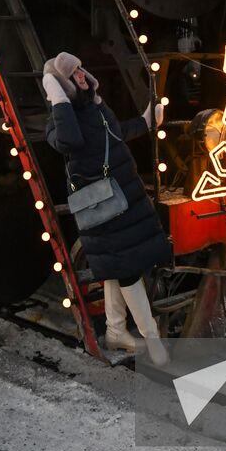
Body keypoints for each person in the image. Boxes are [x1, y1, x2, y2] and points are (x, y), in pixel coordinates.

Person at [42, 51, 172, 364]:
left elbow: (118, 133)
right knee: (127, 272)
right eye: (73, 75)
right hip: (104, 204)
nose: (81, 76)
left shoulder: (96, 108)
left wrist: (145, 121)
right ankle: (152, 340)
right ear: (60, 86)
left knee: (118, 267)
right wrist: (58, 97)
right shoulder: (58, 122)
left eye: (81, 69)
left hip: (124, 197)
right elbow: (70, 140)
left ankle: (116, 331)